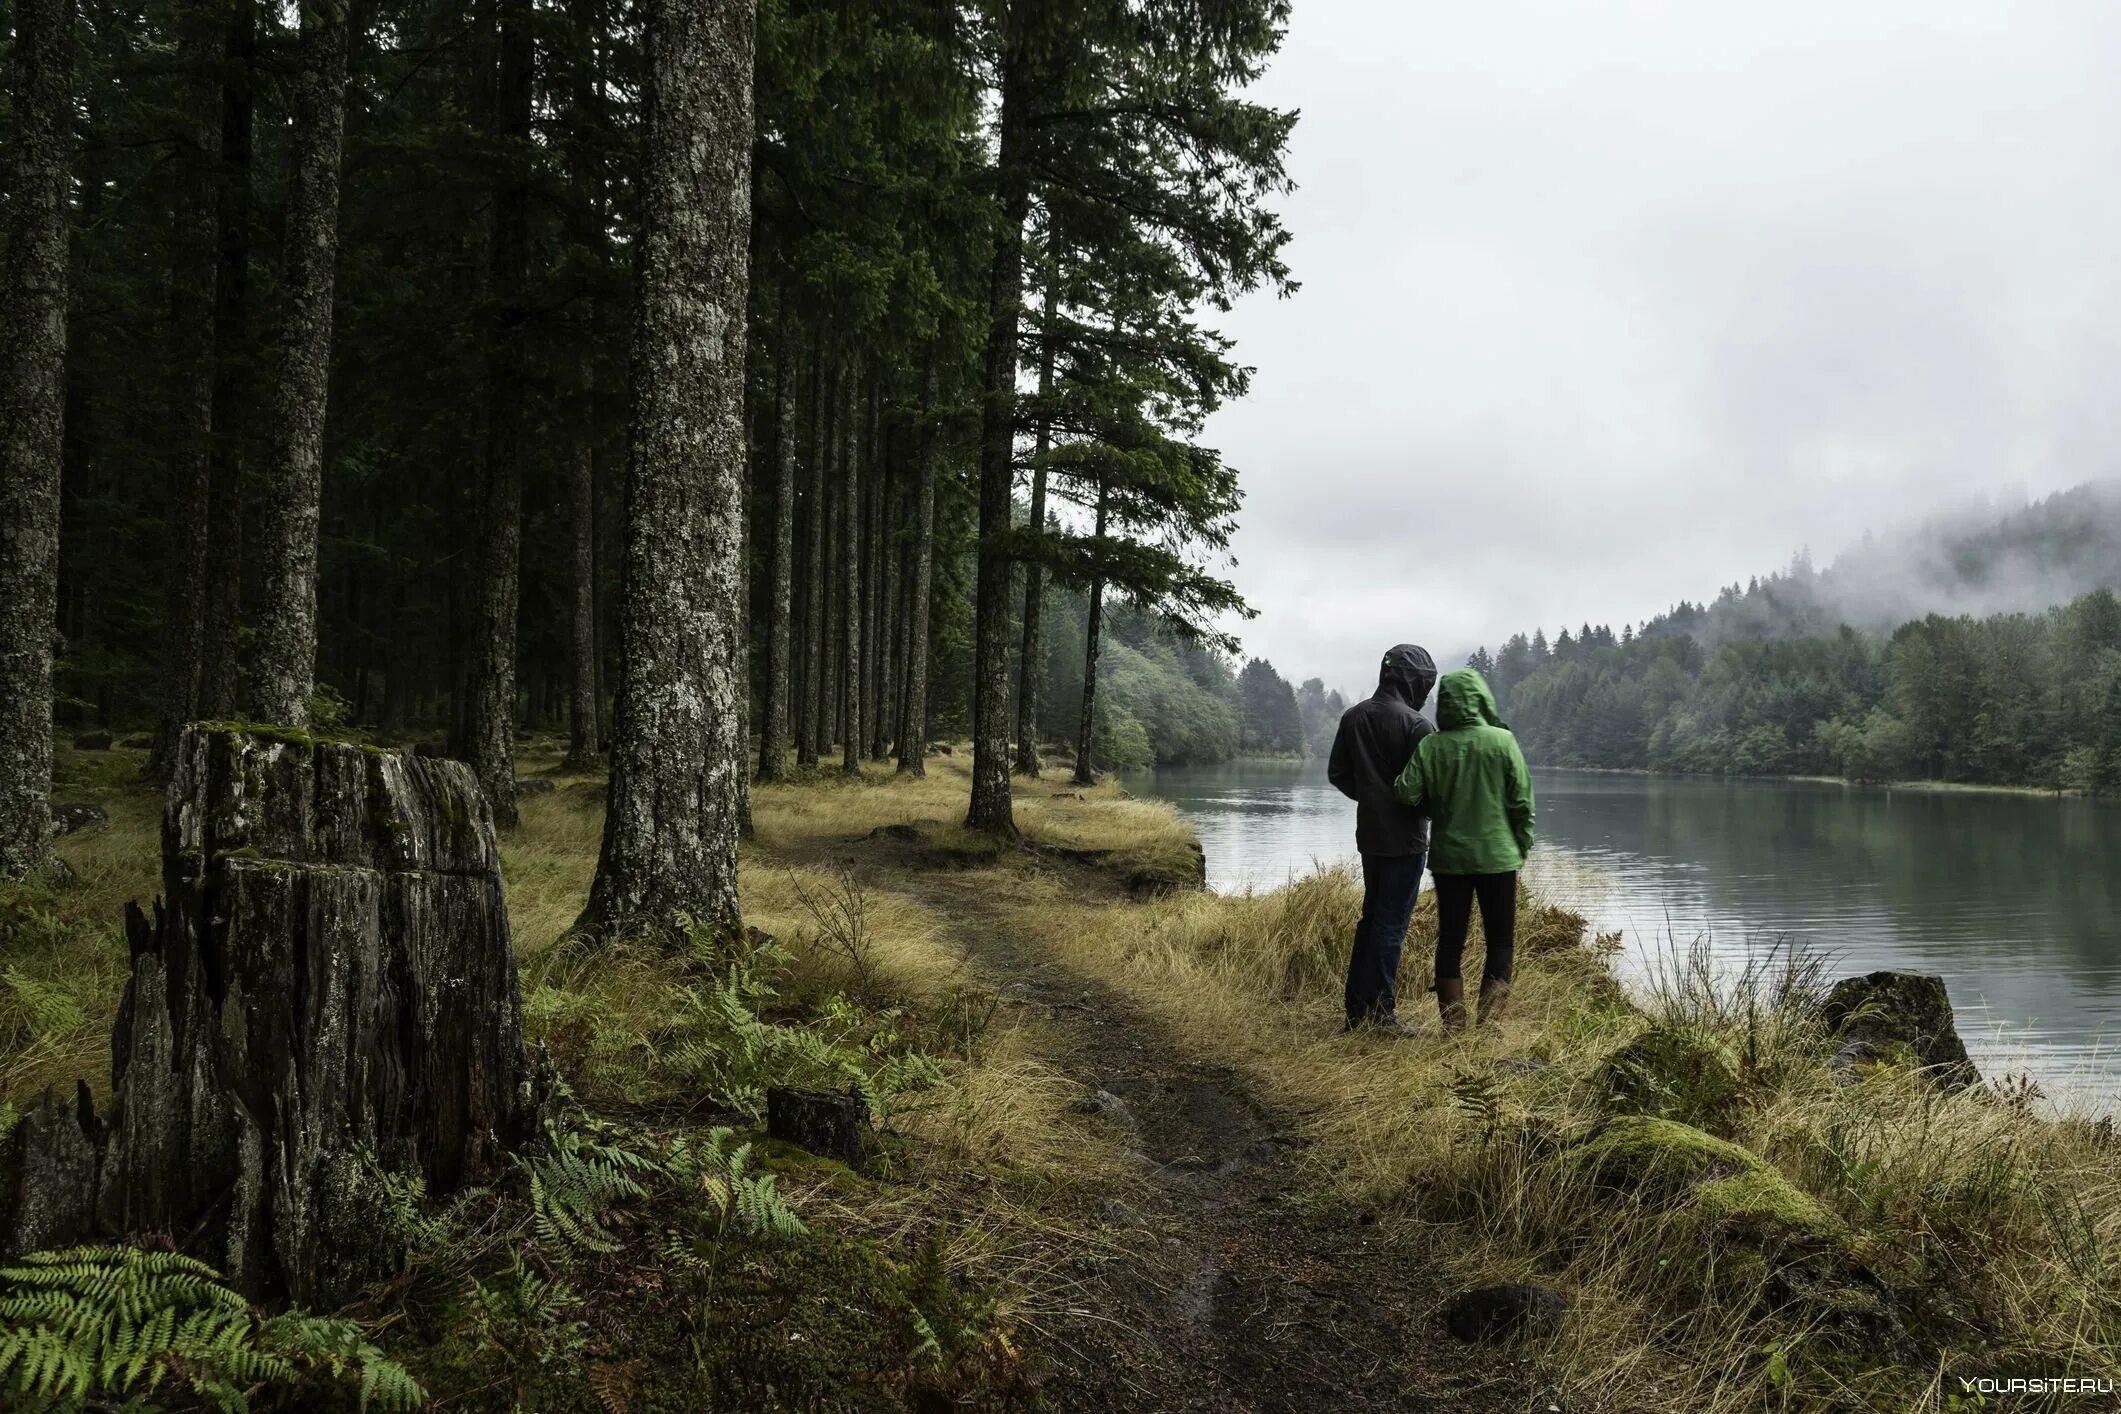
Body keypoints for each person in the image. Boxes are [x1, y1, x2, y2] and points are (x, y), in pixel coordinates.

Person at [1392, 668, 1534, 1032]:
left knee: (1451, 940)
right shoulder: (1503, 742)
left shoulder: (1432, 746)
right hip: (1499, 859)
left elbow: (1406, 792)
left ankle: (1454, 1029)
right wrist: (1521, 846)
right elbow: (1521, 803)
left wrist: (1439, 801)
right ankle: (1489, 1030)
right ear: (1482, 699)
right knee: (1500, 940)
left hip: (1449, 858)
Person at [1327, 644, 1438, 1035]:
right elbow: (1433, 789)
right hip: (1406, 841)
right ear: (1415, 681)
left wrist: (1371, 797)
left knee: (1371, 920)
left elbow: (1338, 773)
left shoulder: (1354, 716)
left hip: (1370, 835)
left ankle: (1357, 1012)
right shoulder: (1417, 726)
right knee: (1392, 926)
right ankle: (1381, 1017)